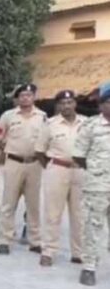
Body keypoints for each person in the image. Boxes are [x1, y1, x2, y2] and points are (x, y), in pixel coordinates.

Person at [0, 83, 47, 254]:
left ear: (34, 97)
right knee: (9, 203)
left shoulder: (42, 116)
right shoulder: (8, 116)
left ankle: (35, 241)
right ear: (18, 98)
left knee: (33, 204)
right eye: (22, 95)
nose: (25, 98)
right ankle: (5, 240)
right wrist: (8, 148)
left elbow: (46, 140)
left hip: (34, 164)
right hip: (14, 163)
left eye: (29, 95)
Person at [35, 89, 86, 267]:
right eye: (63, 103)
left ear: (75, 104)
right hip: (57, 168)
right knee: (53, 212)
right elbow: (39, 151)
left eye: (70, 102)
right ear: (58, 105)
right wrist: (51, 167)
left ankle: (78, 252)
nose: (66, 106)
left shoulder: (86, 123)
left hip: (80, 170)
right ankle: (48, 251)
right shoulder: (50, 124)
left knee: (80, 214)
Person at [72, 82, 110, 286]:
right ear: (101, 104)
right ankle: (89, 267)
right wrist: (97, 171)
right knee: (93, 226)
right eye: (109, 101)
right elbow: (78, 155)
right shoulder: (90, 126)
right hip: (97, 185)